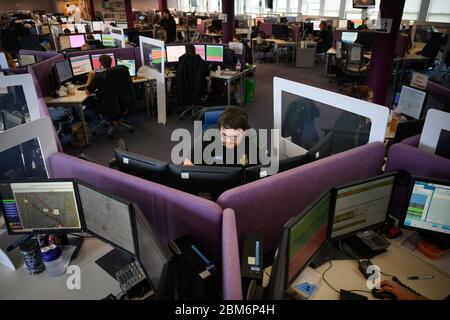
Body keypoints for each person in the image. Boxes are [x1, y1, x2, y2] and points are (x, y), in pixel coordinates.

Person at [183, 107, 263, 167]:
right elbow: (187, 164)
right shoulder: (207, 136)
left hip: (242, 187)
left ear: (245, 132)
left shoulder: (255, 140)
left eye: (234, 136)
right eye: (224, 135)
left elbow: (266, 169)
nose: (228, 140)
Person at [85, 54, 133, 138]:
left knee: (92, 99)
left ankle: (112, 120)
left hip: (107, 106)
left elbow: (87, 91)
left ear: (100, 64)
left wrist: (90, 77)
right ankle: (115, 119)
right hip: (121, 103)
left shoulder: (99, 77)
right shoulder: (119, 71)